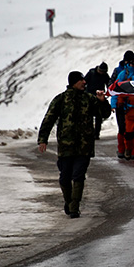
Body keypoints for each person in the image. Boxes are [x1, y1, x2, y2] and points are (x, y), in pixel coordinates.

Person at [37, 71, 111, 218]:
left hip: (84, 146)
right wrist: (42, 139)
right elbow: (49, 119)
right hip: (66, 146)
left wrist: (103, 101)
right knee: (65, 177)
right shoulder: (61, 99)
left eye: (84, 80)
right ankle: (69, 201)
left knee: (78, 175)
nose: (84, 82)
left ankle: (74, 207)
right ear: (73, 82)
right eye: (81, 80)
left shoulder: (89, 99)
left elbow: (104, 114)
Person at [110, 51, 134, 158]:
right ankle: (122, 150)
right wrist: (114, 104)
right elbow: (114, 88)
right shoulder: (121, 73)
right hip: (121, 105)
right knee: (122, 129)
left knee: (131, 129)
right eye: (133, 64)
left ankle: (131, 150)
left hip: (132, 106)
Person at [84, 62, 109, 140]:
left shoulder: (105, 75)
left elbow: (109, 85)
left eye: (103, 72)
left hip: (99, 97)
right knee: (89, 116)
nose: (101, 73)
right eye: (101, 71)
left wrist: (108, 93)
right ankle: (89, 133)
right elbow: (84, 82)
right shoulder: (91, 73)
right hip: (89, 96)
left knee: (99, 116)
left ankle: (96, 134)